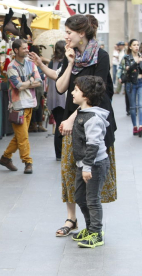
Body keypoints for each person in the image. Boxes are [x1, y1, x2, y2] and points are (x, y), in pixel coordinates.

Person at [55, 14, 117, 237]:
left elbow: (98, 94)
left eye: (69, 32)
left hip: (93, 120)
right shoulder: (70, 55)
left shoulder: (101, 56)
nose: (66, 36)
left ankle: (93, 224)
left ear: (81, 33)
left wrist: (72, 118)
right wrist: (70, 62)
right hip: (70, 118)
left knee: (89, 169)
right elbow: (61, 88)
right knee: (69, 170)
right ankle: (71, 219)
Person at [71, 75, 110, 248]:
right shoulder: (82, 113)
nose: (72, 92)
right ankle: (90, 227)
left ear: (85, 96)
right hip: (84, 164)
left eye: (76, 90)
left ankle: (96, 232)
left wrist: (87, 166)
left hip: (94, 165)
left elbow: (93, 145)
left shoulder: (93, 118)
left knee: (92, 199)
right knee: (80, 197)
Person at [0, 39, 41, 174]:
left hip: (30, 103)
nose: (27, 50)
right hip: (18, 106)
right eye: (24, 48)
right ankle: (28, 162)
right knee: (23, 137)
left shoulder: (31, 64)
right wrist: (31, 81)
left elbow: (39, 81)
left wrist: (26, 83)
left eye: (27, 48)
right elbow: (18, 86)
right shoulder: (11, 67)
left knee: (21, 136)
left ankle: (5, 157)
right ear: (16, 50)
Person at [29, 40, 67, 160]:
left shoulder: (52, 62)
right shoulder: (64, 63)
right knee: (63, 125)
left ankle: (59, 153)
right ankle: (61, 153)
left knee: (58, 125)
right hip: (62, 97)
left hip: (53, 96)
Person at [117, 39, 142, 134]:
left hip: (140, 82)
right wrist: (137, 62)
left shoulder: (141, 56)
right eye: (134, 45)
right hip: (130, 84)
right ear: (130, 47)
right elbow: (127, 69)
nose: (136, 46)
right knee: (132, 107)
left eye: (137, 45)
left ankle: (140, 126)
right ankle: (135, 126)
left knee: (140, 105)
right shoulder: (127, 58)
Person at [28, 45, 47, 133]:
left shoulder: (29, 60)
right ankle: (40, 124)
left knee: (33, 104)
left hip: (33, 83)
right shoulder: (40, 58)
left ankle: (34, 125)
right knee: (39, 105)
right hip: (40, 85)